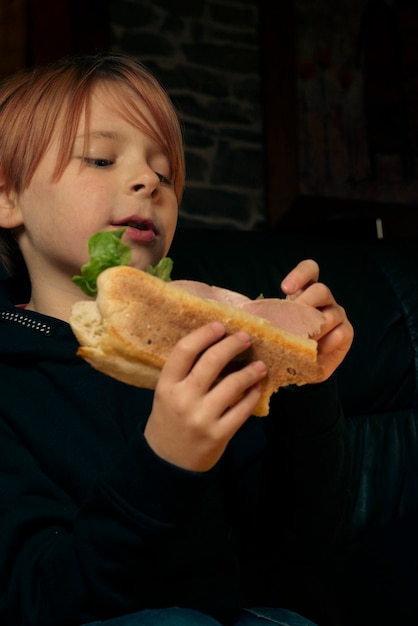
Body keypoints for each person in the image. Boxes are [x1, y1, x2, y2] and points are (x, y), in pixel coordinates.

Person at [0, 53, 353, 626]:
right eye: (100, 158)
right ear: (7, 198)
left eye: (165, 175)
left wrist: (306, 385)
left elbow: (299, 556)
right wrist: (167, 460)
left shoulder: (212, 351)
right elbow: (40, 598)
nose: (148, 183)